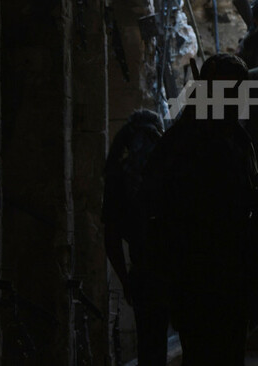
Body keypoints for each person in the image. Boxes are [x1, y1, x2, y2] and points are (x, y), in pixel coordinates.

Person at [142, 54, 258, 365]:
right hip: (195, 278)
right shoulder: (181, 144)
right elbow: (157, 209)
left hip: (232, 276)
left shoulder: (237, 139)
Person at [102, 109, 169, 366]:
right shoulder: (171, 168)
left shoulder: (119, 177)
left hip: (144, 273)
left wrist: (126, 281)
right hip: (177, 268)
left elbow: (111, 239)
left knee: (150, 348)